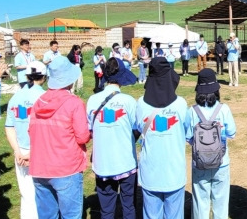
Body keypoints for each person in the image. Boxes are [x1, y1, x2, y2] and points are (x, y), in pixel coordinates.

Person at [29, 56, 91, 218]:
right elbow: (82, 137)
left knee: (47, 215)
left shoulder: (39, 102)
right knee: (71, 214)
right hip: (66, 167)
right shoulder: (74, 103)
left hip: (40, 167)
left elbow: (31, 132)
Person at [135, 57, 189, 219]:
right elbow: (186, 131)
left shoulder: (141, 104)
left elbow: (139, 127)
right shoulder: (180, 104)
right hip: (174, 171)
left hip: (150, 171)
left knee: (151, 215)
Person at [87, 57, 139, 219]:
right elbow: (136, 128)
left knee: (106, 209)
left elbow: (90, 130)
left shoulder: (92, 100)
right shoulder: (129, 101)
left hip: (103, 163)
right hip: (126, 162)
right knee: (128, 205)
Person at [186, 68, 237, 219]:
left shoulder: (192, 111)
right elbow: (232, 133)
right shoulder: (224, 109)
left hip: (199, 162)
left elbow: (188, 138)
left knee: (200, 201)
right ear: (216, 90)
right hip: (221, 162)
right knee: (220, 200)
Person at [5, 61, 47, 219]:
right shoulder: (44, 97)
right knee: (43, 192)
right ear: (44, 77)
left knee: (26, 192)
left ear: (27, 75)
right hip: (40, 149)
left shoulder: (15, 97)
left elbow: (9, 126)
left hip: (21, 149)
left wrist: (17, 151)